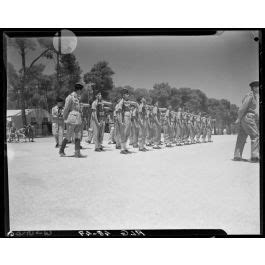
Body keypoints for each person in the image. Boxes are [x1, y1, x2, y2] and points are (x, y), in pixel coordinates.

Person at [233, 81, 259, 162]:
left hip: (245, 117)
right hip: (248, 117)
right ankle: (255, 157)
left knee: (242, 136)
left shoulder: (253, 95)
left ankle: (237, 156)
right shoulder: (250, 95)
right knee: (255, 136)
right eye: (258, 87)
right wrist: (238, 118)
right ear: (254, 87)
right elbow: (243, 108)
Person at [59, 82, 85, 157]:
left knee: (78, 135)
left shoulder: (77, 98)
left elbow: (79, 109)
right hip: (71, 119)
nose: (81, 92)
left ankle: (77, 152)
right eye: (81, 90)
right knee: (68, 136)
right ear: (78, 90)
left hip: (78, 119)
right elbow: (66, 108)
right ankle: (61, 151)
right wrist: (64, 117)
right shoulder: (70, 97)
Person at [116, 89, 132, 154]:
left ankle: (125, 148)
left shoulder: (127, 102)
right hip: (124, 119)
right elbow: (120, 112)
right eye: (126, 94)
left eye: (128, 94)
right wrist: (121, 121)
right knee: (123, 133)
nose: (128, 95)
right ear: (123, 95)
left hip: (128, 119)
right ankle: (122, 149)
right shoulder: (121, 102)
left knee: (127, 133)